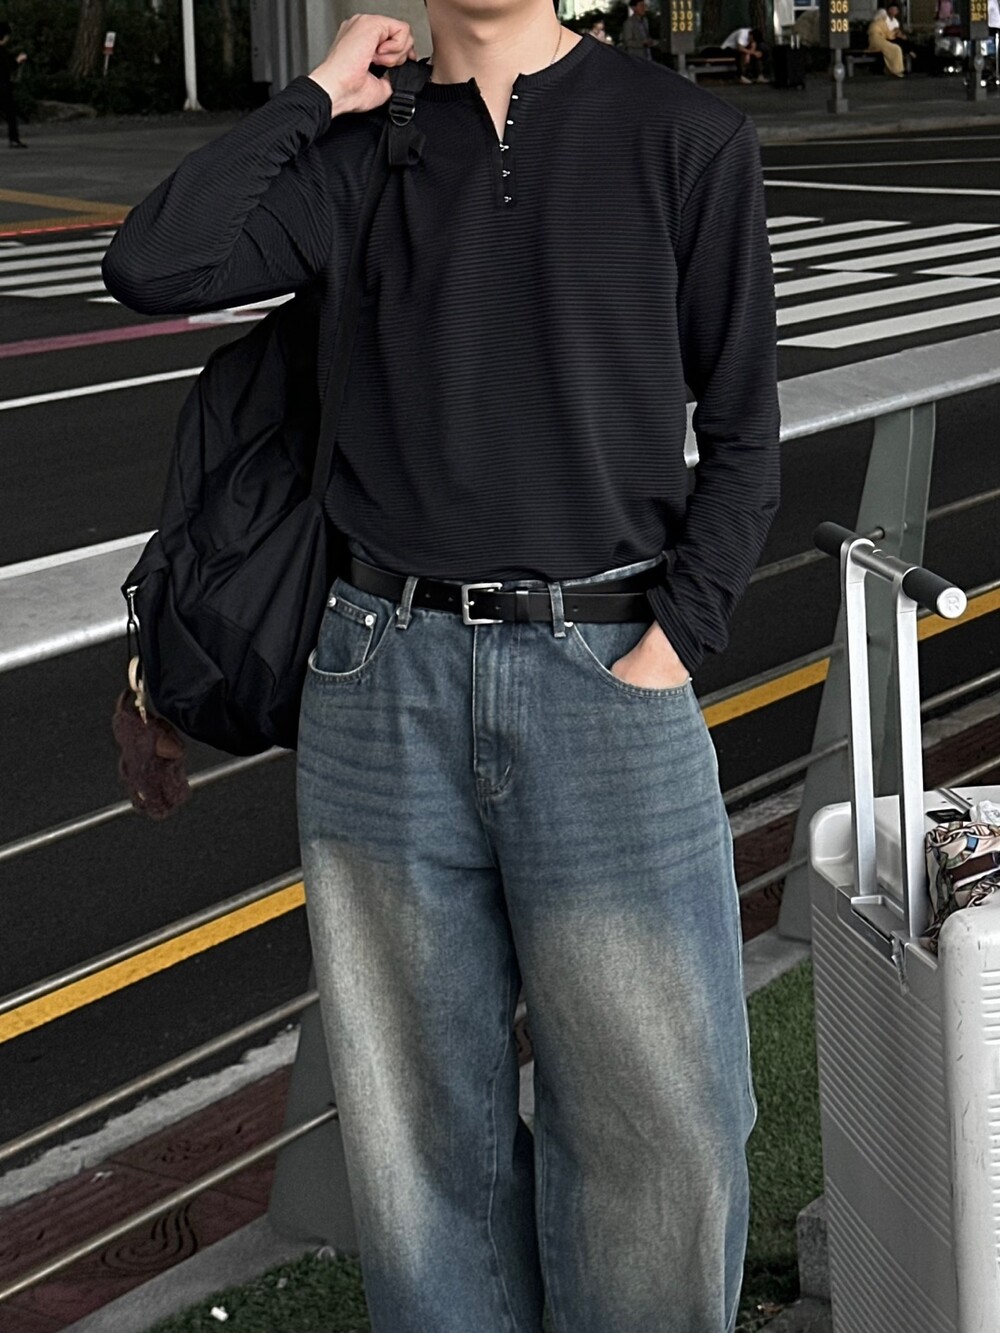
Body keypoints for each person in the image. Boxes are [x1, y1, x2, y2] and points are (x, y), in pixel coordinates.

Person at [102, 3, 779, 1328]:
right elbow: (154, 263)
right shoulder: (362, 150)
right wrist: (317, 94)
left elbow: (745, 428)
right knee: (419, 1142)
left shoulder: (684, 135)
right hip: (380, 680)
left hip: (606, 673)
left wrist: (670, 647)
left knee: (665, 1130)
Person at [0, 22, 27, 149]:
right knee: (10, 113)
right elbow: (9, 66)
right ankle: (14, 139)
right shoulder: (1, 51)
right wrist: (18, 60)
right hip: (3, 86)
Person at [868, 7, 906, 74]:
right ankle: (896, 69)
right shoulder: (882, 23)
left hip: (873, 42)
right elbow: (889, 35)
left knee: (894, 48)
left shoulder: (873, 23)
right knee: (896, 48)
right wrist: (895, 32)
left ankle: (894, 68)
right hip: (880, 41)